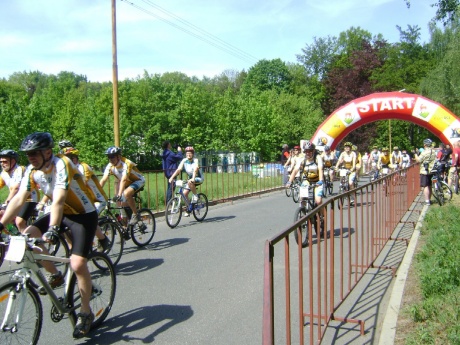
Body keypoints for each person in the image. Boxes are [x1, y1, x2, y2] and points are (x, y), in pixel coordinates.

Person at [0, 132, 98, 338]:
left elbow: (59, 199)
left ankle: (86, 312)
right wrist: (1, 225)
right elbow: (19, 199)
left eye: (35, 153)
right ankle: (55, 275)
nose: (31, 158)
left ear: (48, 152)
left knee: (78, 263)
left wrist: (53, 228)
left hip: (82, 215)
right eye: (28, 155)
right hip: (59, 213)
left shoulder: (61, 163)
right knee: (28, 236)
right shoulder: (32, 171)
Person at [61, 146, 111, 251]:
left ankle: (102, 239)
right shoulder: (67, 169)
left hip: (97, 200)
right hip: (83, 201)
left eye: (69, 158)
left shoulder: (82, 168)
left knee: (87, 221)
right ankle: (72, 247)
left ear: (75, 158)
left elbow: (81, 185)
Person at [100, 146, 145, 225]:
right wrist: (96, 192)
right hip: (127, 183)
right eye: (109, 157)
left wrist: (119, 195)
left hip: (138, 181)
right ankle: (125, 227)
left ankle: (135, 214)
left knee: (126, 194)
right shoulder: (110, 165)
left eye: (112, 157)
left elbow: (124, 179)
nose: (110, 159)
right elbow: (103, 179)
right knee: (121, 205)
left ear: (119, 156)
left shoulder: (126, 163)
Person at [0, 149, 41, 231]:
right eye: (1, 162)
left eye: (5, 162)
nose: (2, 164)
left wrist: (7, 201)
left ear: (13, 161)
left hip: (29, 198)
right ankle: (14, 235)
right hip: (16, 200)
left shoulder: (19, 169)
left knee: (20, 222)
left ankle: (33, 241)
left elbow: (16, 188)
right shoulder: (3, 173)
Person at [168, 146, 204, 217]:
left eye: (190, 153)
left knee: (190, 182)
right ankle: (189, 208)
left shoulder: (195, 160)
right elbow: (178, 170)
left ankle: (196, 196)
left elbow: (195, 169)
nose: (188, 155)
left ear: (193, 154)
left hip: (198, 178)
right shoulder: (184, 160)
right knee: (184, 194)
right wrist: (171, 177)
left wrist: (193, 178)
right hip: (190, 180)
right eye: (187, 153)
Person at [288, 141, 324, 208]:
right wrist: (289, 181)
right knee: (302, 198)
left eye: (310, 151)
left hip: (317, 181)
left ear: (313, 151)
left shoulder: (317, 158)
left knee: (318, 201)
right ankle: (304, 212)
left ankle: (322, 215)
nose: (308, 153)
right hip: (307, 180)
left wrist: (321, 180)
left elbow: (320, 169)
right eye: (306, 151)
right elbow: (295, 170)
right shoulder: (302, 159)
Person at [414, 138, 437, 206]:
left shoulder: (424, 152)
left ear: (425, 145)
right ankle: (429, 199)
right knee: (429, 185)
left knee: (425, 186)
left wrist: (415, 154)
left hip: (425, 171)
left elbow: (418, 160)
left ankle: (427, 201)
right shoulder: (433, 151)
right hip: (432, 170)